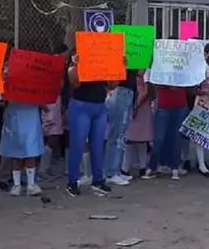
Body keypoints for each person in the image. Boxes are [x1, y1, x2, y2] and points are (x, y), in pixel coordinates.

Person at [65, 51, 113, 197]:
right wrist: (76, 64)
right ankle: (72, 181)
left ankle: (98, 180)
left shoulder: (105, 56)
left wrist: (119, 66)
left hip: (100, 105)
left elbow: (112, 84)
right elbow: (74, 82)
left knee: (98, 145)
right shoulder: (78, 54)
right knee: (78, 145)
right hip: (81, 105)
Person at [0, 89, 45, 197]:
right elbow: (0, 96)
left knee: (31, 150)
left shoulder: (36, 79)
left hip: (29, 115)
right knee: (17, 151)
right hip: (16, 114)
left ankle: (30, 184)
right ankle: (17, 184)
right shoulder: (8, 77)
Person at [143, 72, 189, 181]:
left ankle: (174, 166)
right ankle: (153, 165)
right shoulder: (160, 65)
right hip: (163, 105)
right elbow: (152, 83)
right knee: (159, 138)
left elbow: (191, 84)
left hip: (180, 105)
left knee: (176, 138)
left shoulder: (183, 67)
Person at [104, 68, 138, 186]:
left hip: (129, 91)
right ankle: (111, 172)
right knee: (116, 134)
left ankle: (117, 170)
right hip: (121, 91)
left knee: (122, 135)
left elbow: (140, 73)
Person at [122, 72, 153, 178]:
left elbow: (146, 92)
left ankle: (142, 166)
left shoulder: (147, 73)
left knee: (141, 139)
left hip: (141, 106)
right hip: (130, 103)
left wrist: (135, 106)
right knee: (129, 139)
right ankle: (125, 168)